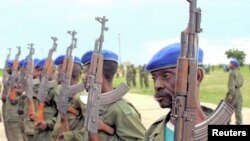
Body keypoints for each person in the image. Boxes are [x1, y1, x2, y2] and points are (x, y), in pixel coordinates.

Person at [144, 43, 213, 141]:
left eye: (166, 76)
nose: (156, 85)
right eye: (154, 78)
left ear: (197, 77)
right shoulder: (152, 132)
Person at [81, 49, 146, 140]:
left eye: (85, 71)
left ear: (97, 73)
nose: (83, 76)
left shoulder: (122, 110)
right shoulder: (95, 103)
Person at [51, 55, 87, 141]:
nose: (56, 72)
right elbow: (60, 119)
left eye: (59, 69)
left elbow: (91, 129)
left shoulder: (83, 96)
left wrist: (69, 136)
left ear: (66, 73)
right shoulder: (60, 92)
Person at [225, 59, 244, 125]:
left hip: (233, 93)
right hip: (239, 93)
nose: (229, 64)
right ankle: (239, 123)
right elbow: (241, 83)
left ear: (233, 65)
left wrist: (230, 94)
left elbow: (231, 85)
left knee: (228, 108)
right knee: (238, 109)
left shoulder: (232, 73)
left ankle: (227, 122)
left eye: (230, 63)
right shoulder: (239, 73)